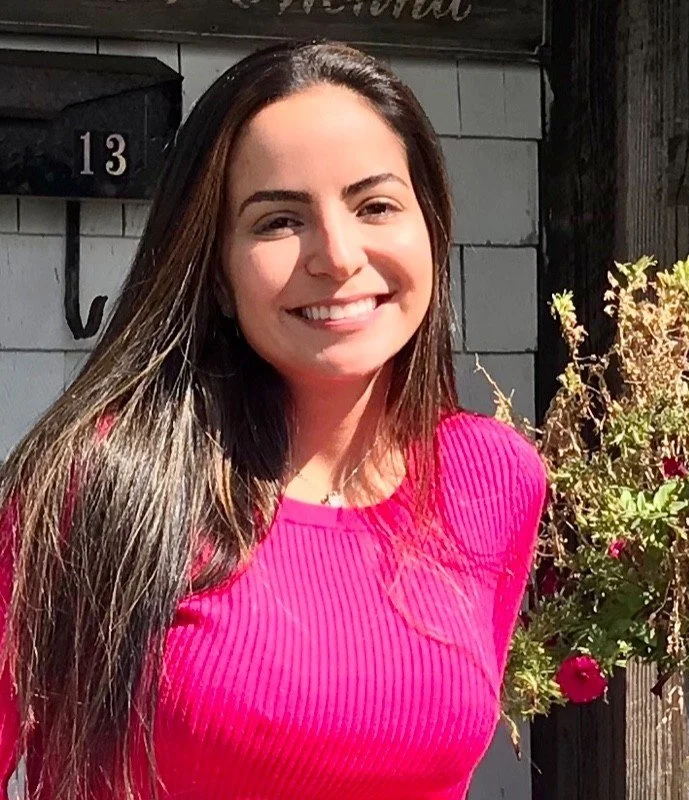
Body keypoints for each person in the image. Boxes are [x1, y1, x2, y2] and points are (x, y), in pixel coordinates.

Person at [0, 40, 547, 800]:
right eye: (280, 220)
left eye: (375, 206)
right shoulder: (97, 482)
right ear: (218, 275)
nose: (338, 256)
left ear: (431, 227)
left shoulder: (492, 478)